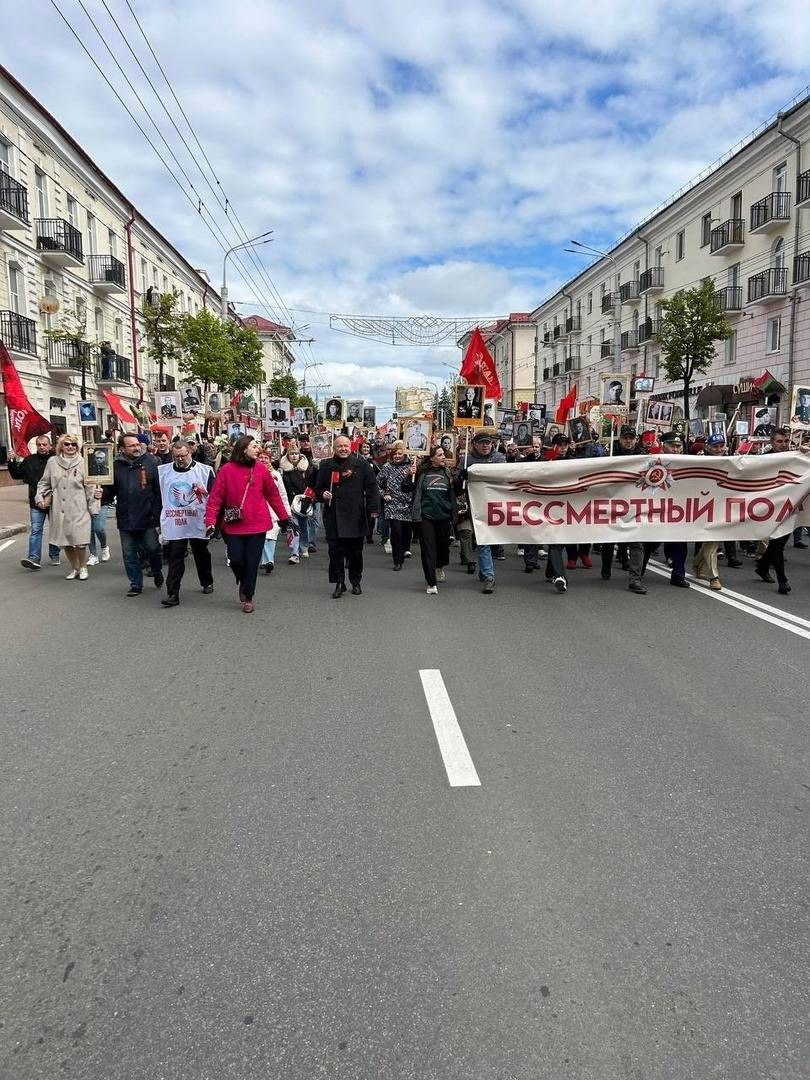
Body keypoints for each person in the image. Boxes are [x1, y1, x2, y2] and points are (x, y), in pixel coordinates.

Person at [204, 435, 292, 613]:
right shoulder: (226, 470)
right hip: (234, 525)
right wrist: (210, 521)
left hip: (258, 525)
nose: (257, 448)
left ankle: (248, 595)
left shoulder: (261, 470)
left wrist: (285, 519)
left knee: (252, 562)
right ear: (243, 449)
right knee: (236, 559)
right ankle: (243, 581)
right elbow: (215, 498)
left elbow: (273, 496)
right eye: (253, 446)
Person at [314, 434, 381, 597]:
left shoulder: (361, 464)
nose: (343, 449)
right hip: (333, 516)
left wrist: (374, 509)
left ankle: (355, 581)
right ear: (334, 448)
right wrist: (323, 494)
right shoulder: (326, 466)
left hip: (355, 515)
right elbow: (317, 489)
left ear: (350, 447)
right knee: (335, 552)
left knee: (355, 553)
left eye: (346, 446)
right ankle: (339, 582)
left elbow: (372, 487)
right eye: (339, 446)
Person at [157, 440, 215, 606]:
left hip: (197, 519)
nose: (180, 459)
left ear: (190, 452)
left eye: (183, 455)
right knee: (175, 556)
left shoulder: (204, 471)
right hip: (176, 521)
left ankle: (206, 581)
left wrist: (212, 519)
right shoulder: (163, 472)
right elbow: (158, 496)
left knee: (201, 552)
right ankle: (172, 593)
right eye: (176, 456)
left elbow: (215, 495)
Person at [35, 434, 100, 581]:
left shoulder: (84, 462)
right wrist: (39, 496)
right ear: (61, 446)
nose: (70, 447)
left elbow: (90, 486)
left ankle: (83, 567)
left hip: (79, 508)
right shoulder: (52, 462)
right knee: (65, 542)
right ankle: (75, 568)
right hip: (59, 509)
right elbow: (44, 482)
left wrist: (93, 508)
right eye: (67, 444)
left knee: (80, 541)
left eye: (73, 444)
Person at [112, 432, 164, 596]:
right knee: (129, 553)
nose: (136, 448)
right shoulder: (115, 466)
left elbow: (159, 491)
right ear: (122, 449)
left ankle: (157, 571)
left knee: (153, 549)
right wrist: (102, 493)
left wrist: (157, 515)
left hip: (147, 516)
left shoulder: (152, 462)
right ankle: (135, 584)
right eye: (131, 446)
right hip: (125, 517)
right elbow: (110, 491)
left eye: (137, 445)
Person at [404, 444, 458, 594]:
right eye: (440, 455)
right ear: (432, 458)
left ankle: (440, 565)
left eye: (443, 455)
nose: (443, 457)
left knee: (443, 547)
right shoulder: (421, 473)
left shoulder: (447, 473)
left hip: (444, 516)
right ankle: (431, 582)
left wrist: (461, 478)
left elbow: (456, 491)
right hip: (425, 516)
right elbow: (405, 488)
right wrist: (409, 475)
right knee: (428, 549)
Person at [599, 425, 646, 594]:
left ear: (635, 439)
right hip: (613, 502)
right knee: (609, 540)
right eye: (625, 438)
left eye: (631, 438)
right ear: (620, 439)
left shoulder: (643, 456)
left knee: (637, 540)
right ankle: (606, 567)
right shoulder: (610, 454)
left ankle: (635, 579)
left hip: (635, 504)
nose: (628, 441)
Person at [456, 430, 505, 593]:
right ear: (474, 444)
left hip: (494, 505)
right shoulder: (466, 460)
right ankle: (488, 574)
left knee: (486, 540)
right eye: (482, 443)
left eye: (488, 442)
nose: (486, 445)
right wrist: (461, 477)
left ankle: (487, 573)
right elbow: (457, 485)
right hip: (474, 505)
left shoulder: (499, 459)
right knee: (480, 540)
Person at [9, 435, 60, 570]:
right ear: (36, 446)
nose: (42, 447)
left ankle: (55, 554)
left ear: (49, 446)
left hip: (54, 500)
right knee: (36, 529)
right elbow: (17, 474)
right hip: (35, 502)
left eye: (44, 444)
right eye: (39, 445)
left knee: (54, 529)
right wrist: (12, 460)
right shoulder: (29, 460)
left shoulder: (56, 460)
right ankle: (33, 558)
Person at [755, 429, 793, 595]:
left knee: (780, 542)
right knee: (777, 544)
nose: (783, 445)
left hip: (788, 506)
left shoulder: (795, 458)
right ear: (771, 442)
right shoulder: (764, 459)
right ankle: (782, 580)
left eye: (785, 442)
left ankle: (762, 566)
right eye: (779, 442)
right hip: (769, 508)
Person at [692, 433, 726, 591]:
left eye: (721, 446)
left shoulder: (731, 461)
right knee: (711, 538)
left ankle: (697, 564)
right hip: (702, 504)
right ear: (708, 447)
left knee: (712, 538)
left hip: (721, 505)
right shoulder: (699, 462)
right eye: (715, 446)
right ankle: (714, 577)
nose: (719, 449)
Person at [377, 441, 414, 570]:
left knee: (405, 531)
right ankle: (397, 560)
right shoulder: (387, 467)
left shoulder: (410, 466)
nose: (397, 456)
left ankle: (404, 550)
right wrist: (383, 495)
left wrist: (413, 473)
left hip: (407, 504)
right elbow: (378, 484)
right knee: (396, 532)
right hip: (392, 504)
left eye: (400, 454)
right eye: (395, 454)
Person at [279, 445, 317, 562]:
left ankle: (304, 547)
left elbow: (313, 482)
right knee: (293, 527)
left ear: (300, 455)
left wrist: (316, 468)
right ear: (287, 456)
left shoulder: (306, 468)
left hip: (304, 501)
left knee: (304, 526)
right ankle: (294, 552)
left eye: (296, 453)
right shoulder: (283, 470)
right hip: (290, 501)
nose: (294, 456)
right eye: (291, 454)